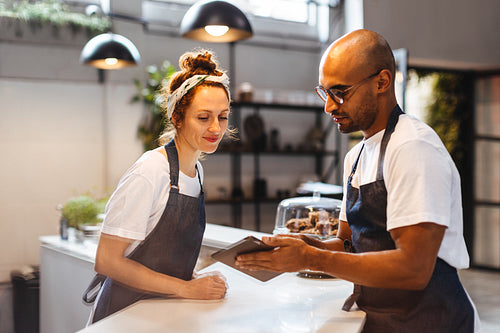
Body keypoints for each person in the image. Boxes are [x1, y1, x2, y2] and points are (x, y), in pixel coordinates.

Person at [236, 29, 480, 333]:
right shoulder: (356, 157)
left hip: (430, 320)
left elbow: (414, 269)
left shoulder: (413, 147)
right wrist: (306, 245)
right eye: (324, 93)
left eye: (340, 92)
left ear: (382, 82)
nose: (329, 106)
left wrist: (311, 258)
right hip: (377, 316)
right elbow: (350, 246)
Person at [83, 49, 230, 324]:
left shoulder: (195, 171)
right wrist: (186, 288)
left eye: (222, 116)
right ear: (177, 117)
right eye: (203, 117)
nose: (216, 128)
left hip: (162, 315)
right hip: (123, 317)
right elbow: (107, 261)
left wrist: (193, 279)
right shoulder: (151, 170)